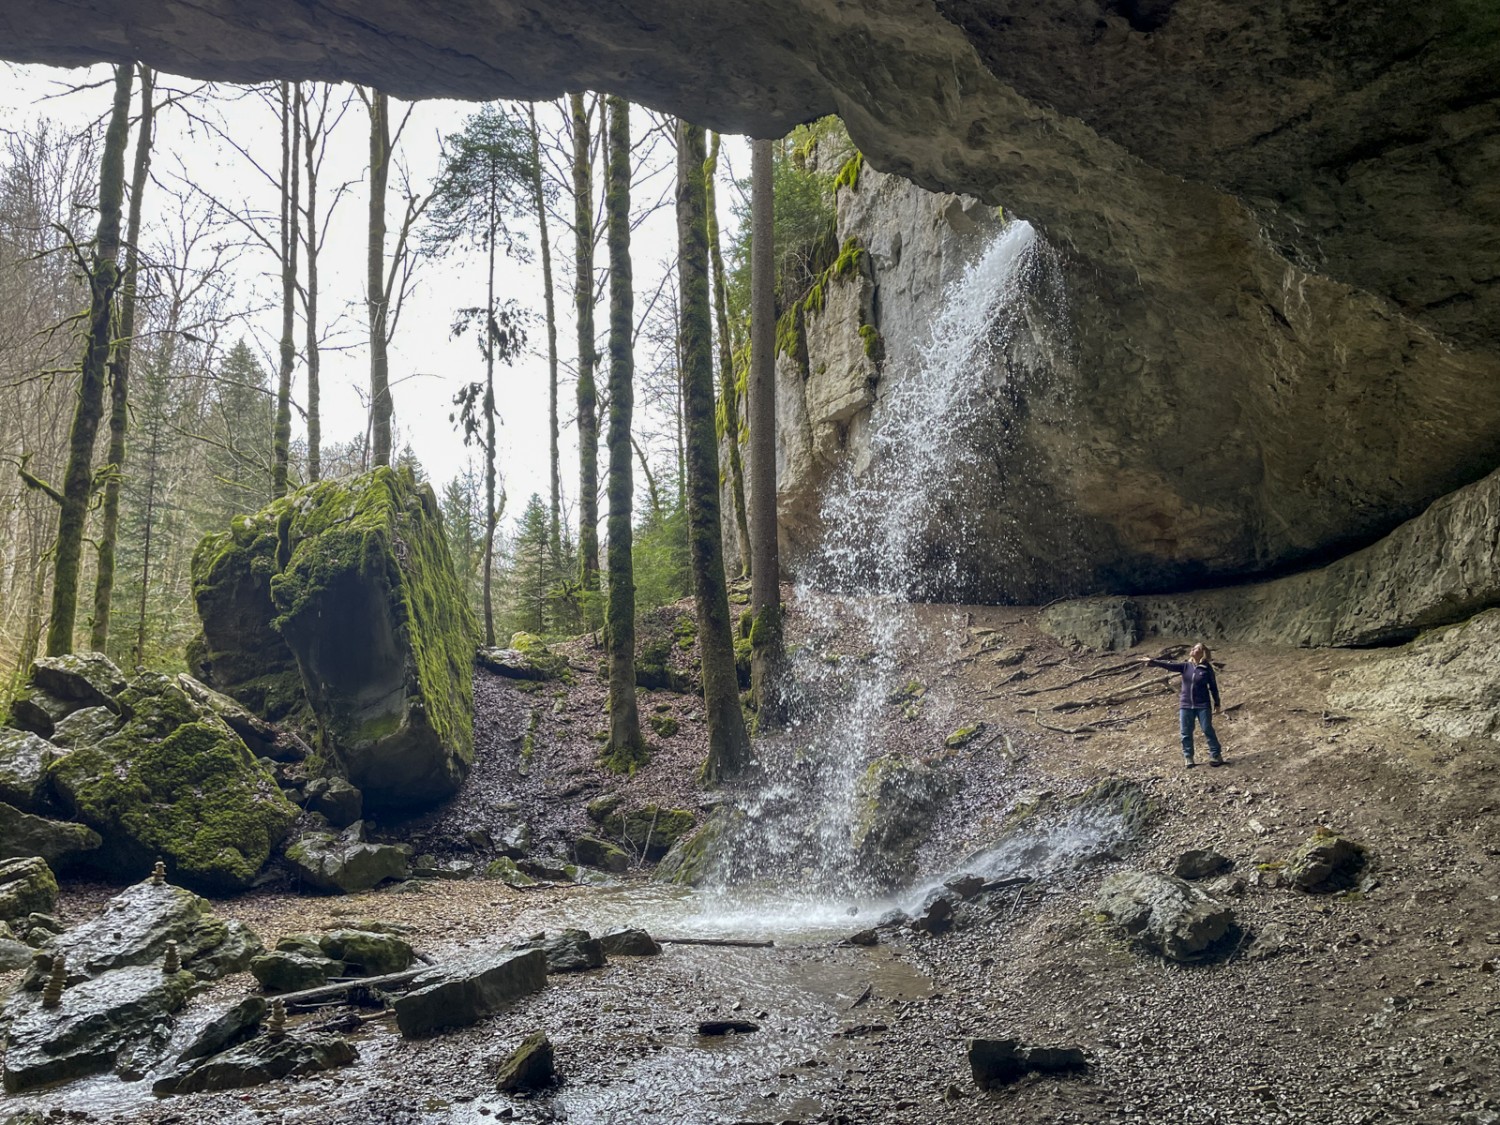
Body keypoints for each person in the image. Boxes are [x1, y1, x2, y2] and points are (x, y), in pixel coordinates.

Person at [1141, 643, 1224, 768]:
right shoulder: (1185, 666)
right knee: (1186, 732)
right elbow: (1169, 665)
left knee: (1207, 729)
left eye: (1196, 648)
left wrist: (1217, 703)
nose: (1192, 649)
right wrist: (1154, 661)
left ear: (1202, 653)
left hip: (1203, 705)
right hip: (1186, 705)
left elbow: (1213, 687)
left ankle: (1216, 755)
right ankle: (1188, 757)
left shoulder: (1207, 669)